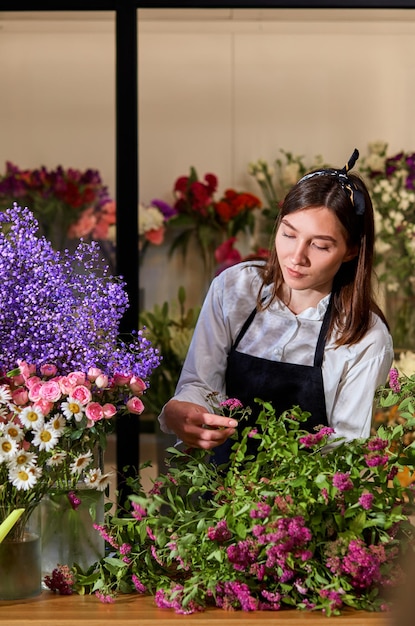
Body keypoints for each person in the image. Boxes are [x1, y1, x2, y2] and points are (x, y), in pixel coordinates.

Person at [159, 148, 393, 463]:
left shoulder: (364, 338)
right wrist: (181, 410)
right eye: (288, 234)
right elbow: (201, 384)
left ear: (351, 251)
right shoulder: (234, 289)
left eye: (320, 245)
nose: (297, 257)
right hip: (217, 496)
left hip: (306, 505)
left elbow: (345, 455)